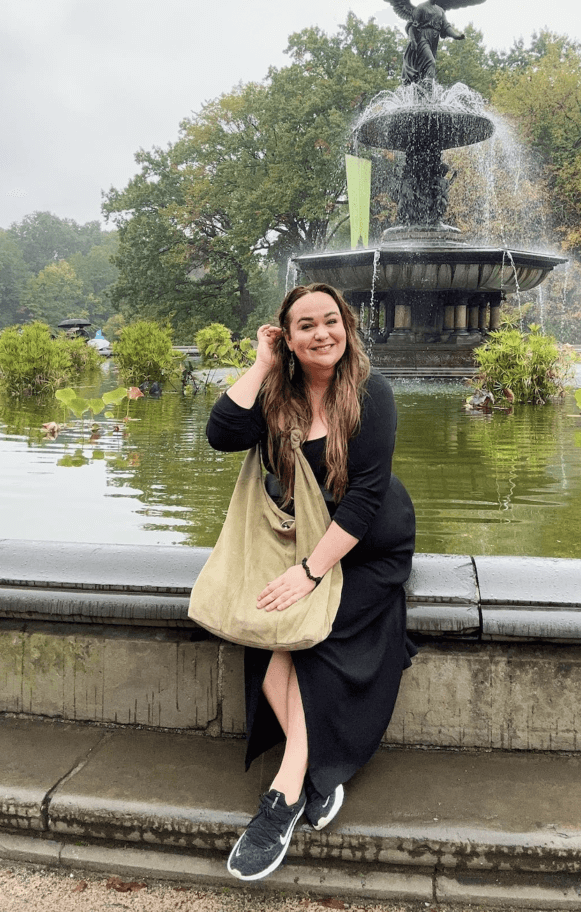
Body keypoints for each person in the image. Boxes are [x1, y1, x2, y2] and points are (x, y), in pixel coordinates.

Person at [206, 282, 417, 882]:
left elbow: (366, 498)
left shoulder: (371, 393)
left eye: (331, 321)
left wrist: (308, 575)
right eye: (305, 326)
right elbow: (221, 434)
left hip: (368, 547)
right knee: (277, 640)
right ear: (288, 338)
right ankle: (318, 776)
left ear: (346, 328)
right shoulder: (279, 393)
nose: (321, 333)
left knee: (294, 644)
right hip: (303, 543)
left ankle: (284, 795)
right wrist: (260, 364)